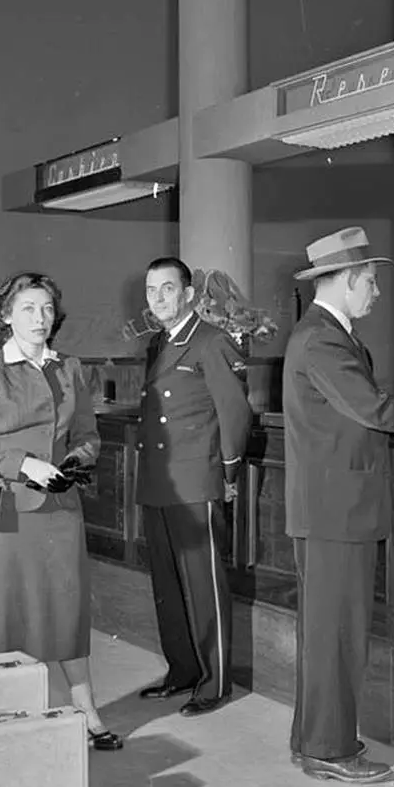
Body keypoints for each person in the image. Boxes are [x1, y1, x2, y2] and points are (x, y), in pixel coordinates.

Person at [283, 227, 394, 784]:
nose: (378, 294)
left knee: (328, 634)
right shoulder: (322, 340)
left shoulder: (329, 335)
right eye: (370, 282)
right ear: (343, 282)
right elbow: (372, 409)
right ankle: (331, 750)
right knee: (337, 635)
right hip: (338, 512)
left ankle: (316, 740)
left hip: (334, 509)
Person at [0, 272, 122, 751]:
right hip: (5, 510)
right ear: (6, 317)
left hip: (60, 509)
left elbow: (88, 435)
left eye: (46, 309)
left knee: (66, 610)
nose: (40, 318)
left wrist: (74, 461)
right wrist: (25, 465)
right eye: (28, 309)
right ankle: (2, 719)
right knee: (3, 615)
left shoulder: (70, 367)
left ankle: (87, 714)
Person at [135, 257, 252, 718]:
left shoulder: (210, 341)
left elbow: (234, 414)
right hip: (159, 479)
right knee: (167, 584)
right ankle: (182, 669)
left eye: (167, 289)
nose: (158, 298)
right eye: (151, 290)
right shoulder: (157, 344)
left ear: (188, 295)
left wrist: (228, 473)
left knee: (203, 586)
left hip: (195, 480)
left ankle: (215, 680)